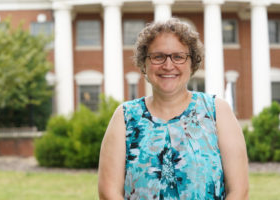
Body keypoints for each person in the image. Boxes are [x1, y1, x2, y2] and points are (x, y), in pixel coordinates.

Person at [98, 18, 249, 200]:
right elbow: (109, 192)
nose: (168, 65)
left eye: (178, 56)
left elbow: (239, 191)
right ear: (144, 63)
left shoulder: (217, 111)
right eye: (158, 56)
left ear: (192, 63)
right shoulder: (125, 117)